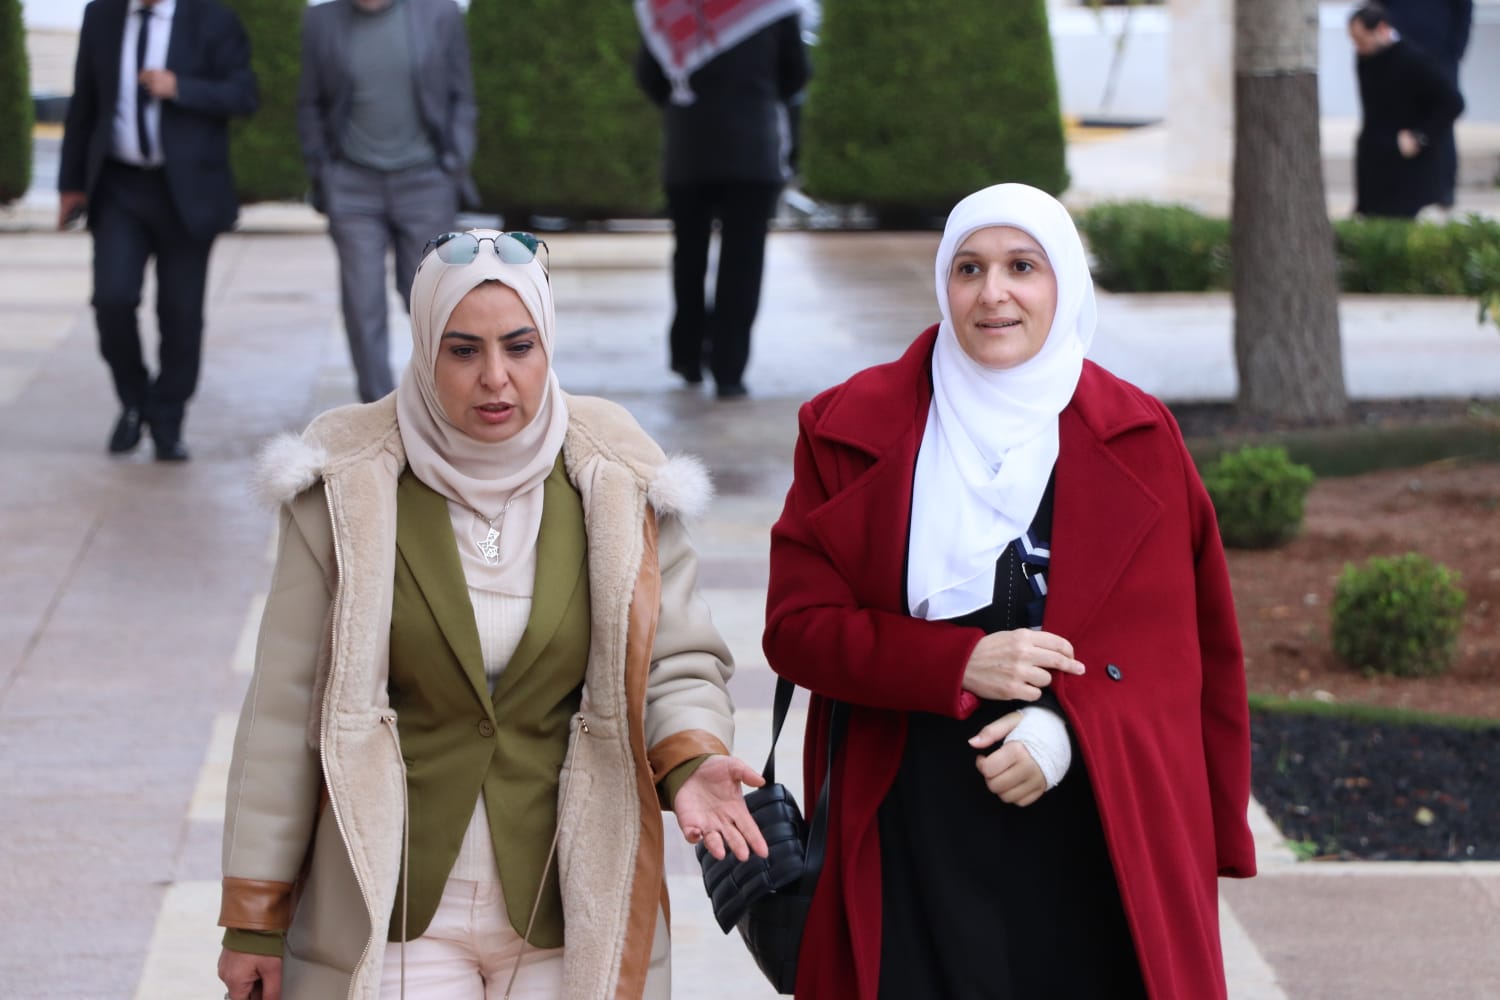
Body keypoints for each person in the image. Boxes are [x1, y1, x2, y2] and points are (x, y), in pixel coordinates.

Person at [216, 229, 769, 1000]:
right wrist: (255, 914)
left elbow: (676, 659)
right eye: (463, 351)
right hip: (394, 906)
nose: (495, 378)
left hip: (567, 901)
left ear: (548, 344)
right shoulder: (345, 484)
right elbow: (283, 707)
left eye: (519, 346)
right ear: (424, 350)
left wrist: (690, 756)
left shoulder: (618, 476)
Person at [762, 183, 1257, 998]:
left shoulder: (1139, 435)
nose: (993, 293)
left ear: (1064, 284)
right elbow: (797, 628)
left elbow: (1179, 660)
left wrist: (1062, 733)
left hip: (1088, 831)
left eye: (1022, 266)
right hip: (906, 826)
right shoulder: (847, 425)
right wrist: (955, 663)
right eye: (969, 268)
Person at [57, 0, 259, 461]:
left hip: (186, 193)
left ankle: (168, 417)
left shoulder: (213, 19)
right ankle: (133, 400)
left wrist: (180, 87)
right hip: (118, 188)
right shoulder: (101, 14)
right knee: (112, 299)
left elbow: (243, 94)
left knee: (181, 315)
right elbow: (84, 101)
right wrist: (71, 185)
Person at [297, 0, 479, 404]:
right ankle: (377, 412)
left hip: (426, 182)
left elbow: (461, 96)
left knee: (432, 302)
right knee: (362, 305)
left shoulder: (440, 14)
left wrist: (454, 163)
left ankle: (438, 405)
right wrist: (324, 170)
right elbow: (310, 102)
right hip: (352, 186)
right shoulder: (320, 20)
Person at [634, 0, 811, 399]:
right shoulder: (772, 8)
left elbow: (650, 74)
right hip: (753, 149)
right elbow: (796, 74)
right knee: (743, 262)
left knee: (689, 255)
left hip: (689, 149)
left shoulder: (672, 7)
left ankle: (687, 355)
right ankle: (729, 369)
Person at [1348, 3, 1465, 219]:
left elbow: (1452, 103)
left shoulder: (1415, 61)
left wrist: (1421, 136)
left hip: (1408, 168)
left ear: (1382, 29)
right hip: (1376, 162)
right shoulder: (1365, 60)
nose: (1359, 48)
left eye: (1362, 41)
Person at [1381, 0, 1473, 208]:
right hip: (1399, 51)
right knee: (1398, 118)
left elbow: (1464, 8)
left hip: (1440, 54)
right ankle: (1402, 189)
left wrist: (1456, 50)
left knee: (1441, 119)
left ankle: (1442, 189)